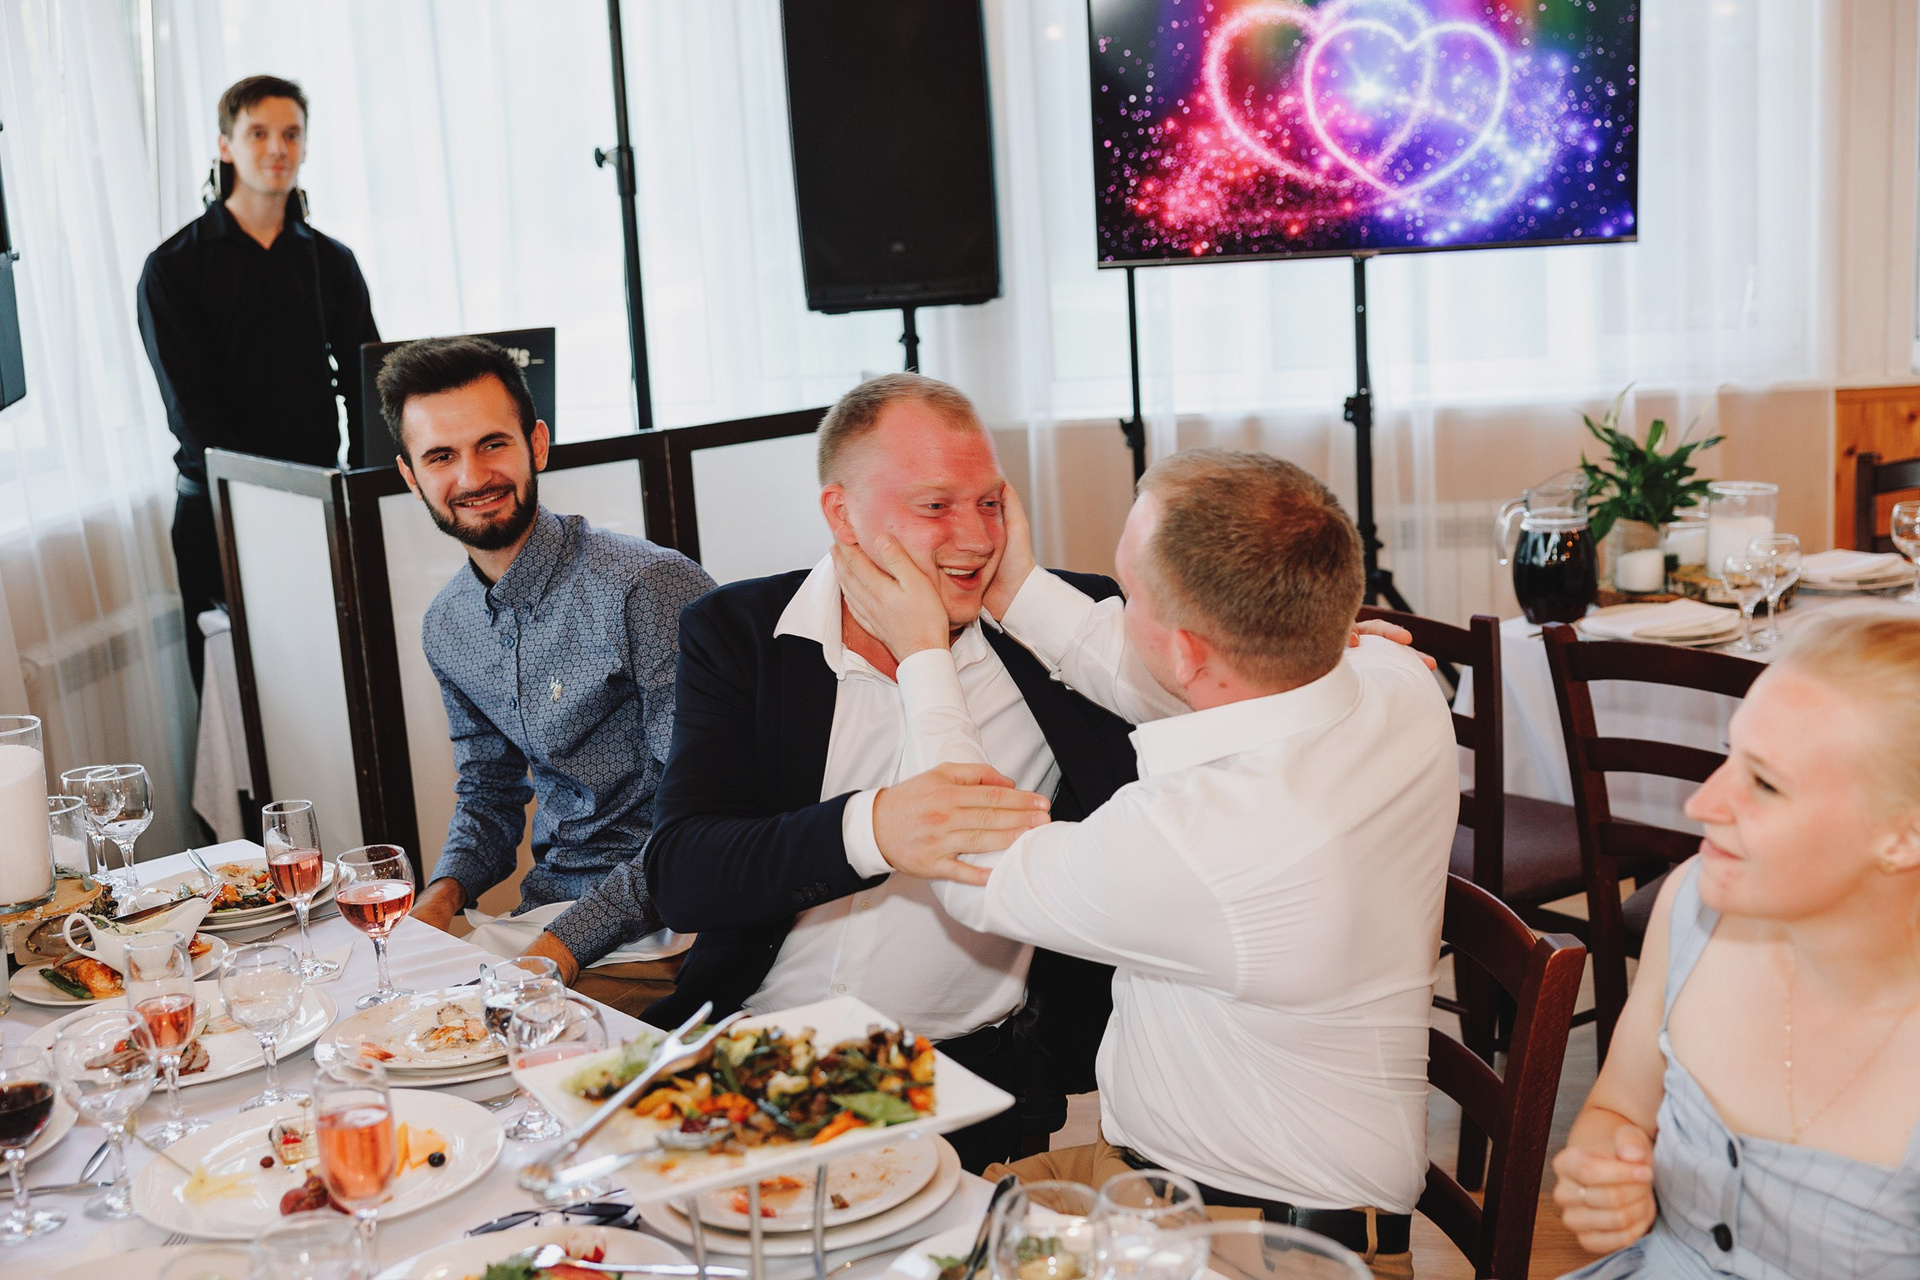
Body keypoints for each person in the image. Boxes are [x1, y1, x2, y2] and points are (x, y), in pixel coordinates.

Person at [833, 450, 1458, 1280]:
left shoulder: (1201, 837)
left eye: (1127, 595)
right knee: (874, 1225)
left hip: (1252, 1246)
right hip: (1159, 1178)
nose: (1116, 609)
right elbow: (1154, 671)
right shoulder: (1397, 682)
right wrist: (1017, 587)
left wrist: (921, 654)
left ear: (1191, 651)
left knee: (861, 1253)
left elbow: (968, 859)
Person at [640, 372, 1144, 1172]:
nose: (976, 539)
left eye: (990, 503)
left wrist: (1332, 655)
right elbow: (682, 875)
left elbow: (1213, 690)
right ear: (842, 514)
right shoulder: (741, 632)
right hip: (767, 1049)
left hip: (967, 1075)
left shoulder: (1059, 631)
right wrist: (873, 829)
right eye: (935, 505)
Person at [1549, 609, 1920, 1277]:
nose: (1701, 804)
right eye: (1730, 755)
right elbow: (1616, 1108)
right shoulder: (1693, 904)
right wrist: (1606, 1166)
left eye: (1766, 783)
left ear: (1904, 837)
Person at [379, 336, 715, 1015]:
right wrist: (438, 900)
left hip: (674, 927)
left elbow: (702, 817)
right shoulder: (447, 624)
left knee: (484, 1041)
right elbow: (489, 792)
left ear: (536, 444)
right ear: (411, 476)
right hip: (548, 915)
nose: (473, 476)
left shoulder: (645, 586)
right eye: (441, 456)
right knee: (380, 1018)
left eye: (492, 444)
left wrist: (559, 948)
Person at [138, 75, 380, 689]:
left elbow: (367, 385)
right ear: (225, 146)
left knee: (332, 686)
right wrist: (262, 501)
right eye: (259, 133)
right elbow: (190, 412)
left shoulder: (333, 262)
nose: (278, 148)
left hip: (321, 506)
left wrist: (360, 492)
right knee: (241, 699)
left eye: (291, 134)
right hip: (220, 515)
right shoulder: (172, 269)